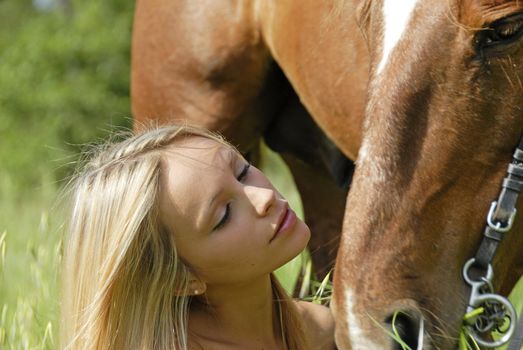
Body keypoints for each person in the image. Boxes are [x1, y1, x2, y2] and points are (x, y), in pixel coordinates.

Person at [61, 124, 335, 350]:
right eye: (224, 214)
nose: (264, 198)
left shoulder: (322, 330)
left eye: (242, 171)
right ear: (182, 278)